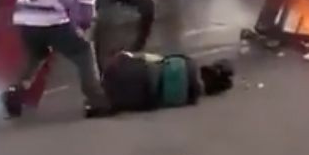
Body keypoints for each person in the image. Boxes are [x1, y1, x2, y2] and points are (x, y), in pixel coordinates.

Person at [1, 0, 109, 119]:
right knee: (82, 51)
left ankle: (15, 91)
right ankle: (96, 100)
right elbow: (86, 14)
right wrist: (82, 28)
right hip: (52, 18)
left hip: (24, 16)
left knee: (36, 54)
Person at [97, 52, 236, 114]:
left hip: (133, 74)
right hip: (141, 98)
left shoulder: (188, 63)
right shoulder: (190, 98)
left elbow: (153, 58)